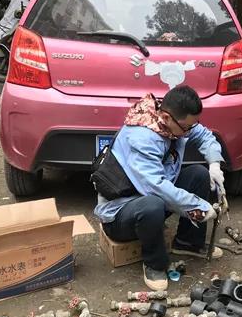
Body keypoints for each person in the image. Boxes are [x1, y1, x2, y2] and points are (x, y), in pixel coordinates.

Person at [94, 85, 226, 291]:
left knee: (199, 174)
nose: (189, 131)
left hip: (151, 197)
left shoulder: (176, 121)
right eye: (186, 128)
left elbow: (203, 136)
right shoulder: (141, 139)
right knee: (152, 204)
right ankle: (154, 264)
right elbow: (156, 188)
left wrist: (215, 164)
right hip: (121, 213)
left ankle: (187, 243)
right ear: (165, 117)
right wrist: (199, 207)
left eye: (192, 126)